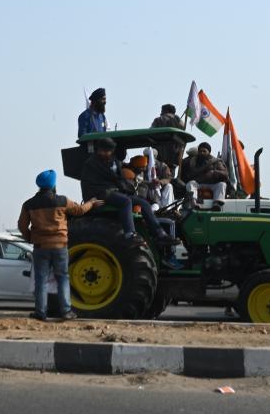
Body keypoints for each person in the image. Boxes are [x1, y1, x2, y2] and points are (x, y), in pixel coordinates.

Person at [18, 170, 103, 322]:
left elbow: (22, 225)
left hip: (40, 247)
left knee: (41, 280)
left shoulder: (29, 204)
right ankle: (66, 311)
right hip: (60, 246)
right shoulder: (62, 201)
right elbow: (79, 210)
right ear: (53, 185)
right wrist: (91, 203)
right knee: (63, 278)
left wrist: (30, 238)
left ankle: (40, 312)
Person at [80, 138, 180, 246]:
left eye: (108, 151)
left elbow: (120, 179)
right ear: (99, 150)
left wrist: (129, 188)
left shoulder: (112, 161)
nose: (106, 153)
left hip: (112, 191)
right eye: (104, 151)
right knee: (126, 201)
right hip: (98, 194)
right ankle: (130, 235)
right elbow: (107, 179)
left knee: (143, 202)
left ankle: (160, 234)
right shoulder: (92, 163)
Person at [150, 104, 184, 169]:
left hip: (160, 156)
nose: (160, 113)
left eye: (162, 110)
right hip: (175, 158)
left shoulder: (159, 120)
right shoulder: (181, 123)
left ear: (165, 111)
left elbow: (150, 132)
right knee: (170, 176)